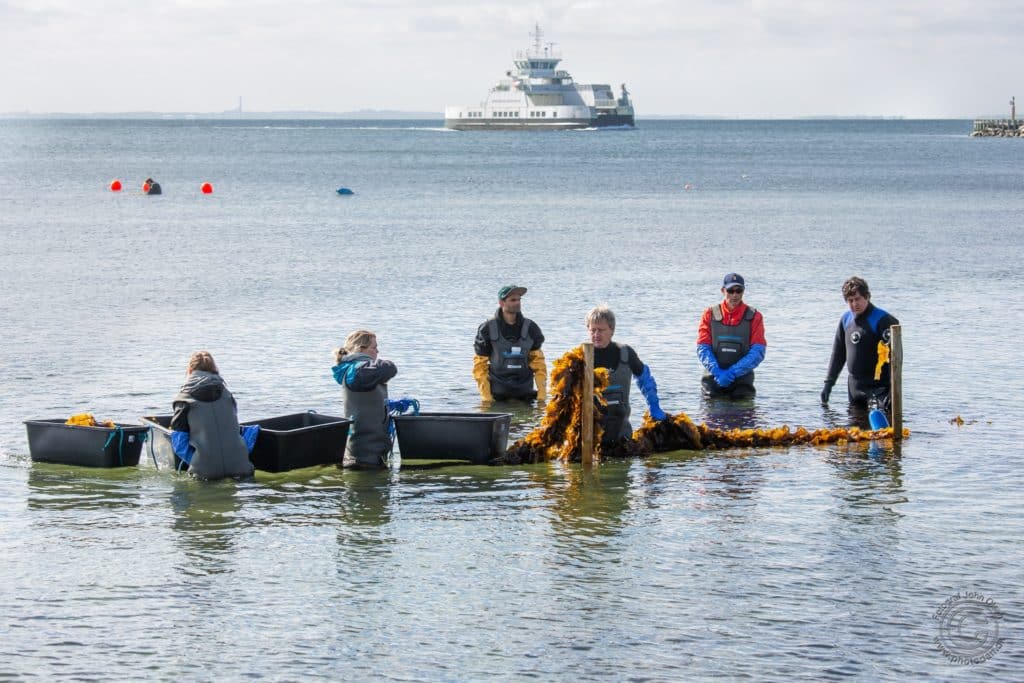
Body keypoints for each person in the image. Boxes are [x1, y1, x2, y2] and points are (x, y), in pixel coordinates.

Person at [586, 305, 667, 448]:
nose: (596, 334)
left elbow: (645, 379)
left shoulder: (625, 353)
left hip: (621, 434)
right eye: (593, 330)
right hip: (590, 435)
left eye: (601, 330)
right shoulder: (581, 356)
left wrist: (654, 405)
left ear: (611, 330)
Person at [170, 351, 254, 480]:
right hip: (241, 467)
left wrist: (196, 461)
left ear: (190, 370)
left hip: (205, 473)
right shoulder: (227, 394)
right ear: (214, 369)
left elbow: (179, 443)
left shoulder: (183, 399)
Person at [821, 276, 900, 411]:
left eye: (857, 299)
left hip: (879, 388)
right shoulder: (846, 320)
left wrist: (894, 390)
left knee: (881, 429)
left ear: (867, 297)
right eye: (850, 301)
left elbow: (895, 358)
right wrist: (829, 384)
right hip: (855, 388)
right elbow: (838, 354)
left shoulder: (883, 320)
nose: (854, 304)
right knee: (855, 428)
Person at [332, 330, 397, 467]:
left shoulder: (359, 369)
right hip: (365, 457)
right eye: (374, 347)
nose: (377, 351)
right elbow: (389, 368)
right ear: (360, 349)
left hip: (369, 454)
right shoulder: (358, 370)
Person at [696, 273, 767, 399]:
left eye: (739, 291)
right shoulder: (709, 314)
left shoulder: (755, 316)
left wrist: (733, 372)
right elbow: (703, 348)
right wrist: (716, 371)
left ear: (743, 291)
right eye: (730, 290)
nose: (735, 295)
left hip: (742, 383)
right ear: (723, 291)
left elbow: (758, 352)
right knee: (710, 417)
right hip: (713, 380)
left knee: (743, 416)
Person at [473, 285, 547, 403]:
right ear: (501, 303)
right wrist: (487, 399)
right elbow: (480, 367)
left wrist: (541, 397)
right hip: (497, 396)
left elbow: (539, 364)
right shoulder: (487, 328)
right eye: (513, 300)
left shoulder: (531, 328)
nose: (517, 303)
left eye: (519, 300)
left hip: (525, 394)